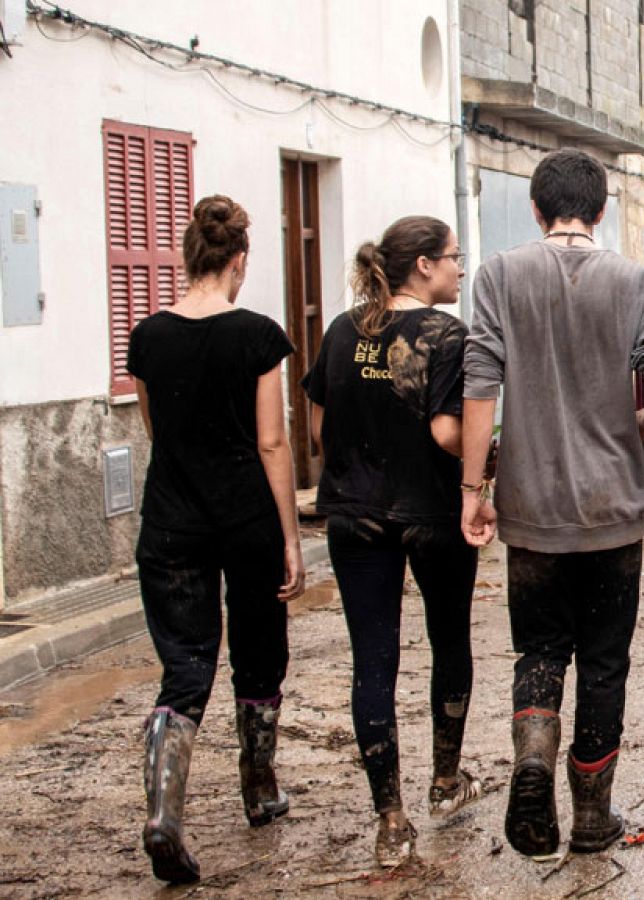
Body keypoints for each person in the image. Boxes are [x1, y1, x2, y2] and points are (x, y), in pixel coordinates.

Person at [459, 149, 644, 859]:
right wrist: (635, 427)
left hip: (531, 508)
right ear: (601, 210)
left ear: (535, 209)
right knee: (606, 663)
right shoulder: (634, 280)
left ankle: (532, 760)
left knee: (541, 647)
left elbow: (479, 387)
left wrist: (475, 490)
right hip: (613, 508)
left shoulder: (497, 276)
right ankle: (592, 818)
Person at [127, 195, 304, 885]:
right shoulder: (258, 335)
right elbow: (270, 439)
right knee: (259, 658)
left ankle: (164, 811)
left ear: (187, 258)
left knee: (185, 668)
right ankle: (259, 790)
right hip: (247, 521)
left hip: (170, 520)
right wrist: (290, 534)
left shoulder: (147, 336)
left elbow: (155, 430)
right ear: (238, 261)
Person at [302, 216, 482, 868]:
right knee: (448, 639)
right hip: (431, 512)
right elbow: (444, 431)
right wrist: (490, 464)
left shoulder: (344, 329)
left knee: (372, 662)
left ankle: (391, 818)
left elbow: (319, 422)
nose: (461, 269)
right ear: (424, 266)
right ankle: (445, 781)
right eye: (455, 258)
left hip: (355, 515)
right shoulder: (445, 335)